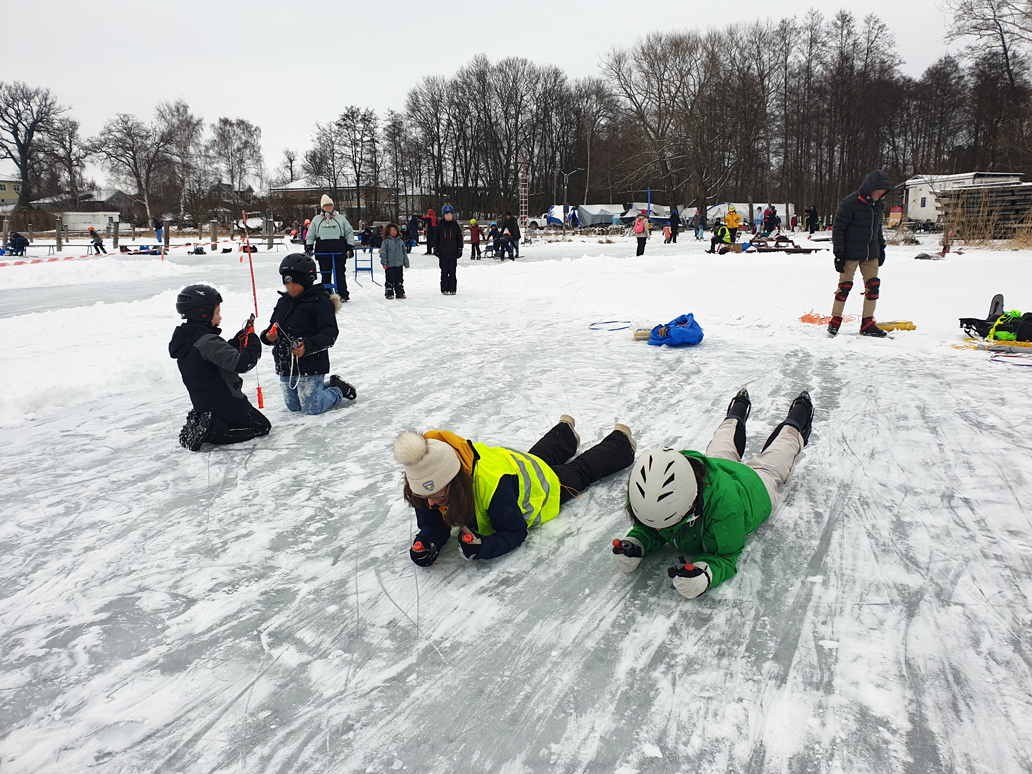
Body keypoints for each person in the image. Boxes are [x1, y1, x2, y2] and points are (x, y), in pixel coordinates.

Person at [611, 388, 813, 599]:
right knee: (722, 440)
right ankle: (738, 408)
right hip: (714, 468)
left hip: (756, 486)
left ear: (689, 505)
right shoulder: (652, 485)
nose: (658, 528)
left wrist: (705, 575)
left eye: (666, 522)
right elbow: (650, 526)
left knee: (778, 455)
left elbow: (727, 555)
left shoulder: (726, 510)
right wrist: (637, 542)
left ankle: (799, 413)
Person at [395, 417, 636, 565]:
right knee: (535, 458)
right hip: (512, 464)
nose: (433, 504)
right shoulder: (425, 477)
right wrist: (428, 541)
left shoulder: (493, 487)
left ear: (456, 482)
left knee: (579, 472)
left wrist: (483, 546)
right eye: (424, 499)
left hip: (539, 485)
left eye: (437, 497)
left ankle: (621, 442)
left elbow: (514, 531)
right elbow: (433, 523)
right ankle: (565, 432)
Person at [169, 284, 270, 452]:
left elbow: (218, 356)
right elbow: (242, 364)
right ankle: (213, 430)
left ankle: (203, 418)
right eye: (217, 313)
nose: (220, 317)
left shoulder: (188, 338)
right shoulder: (208, 341)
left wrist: (239, 340)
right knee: (261, 426)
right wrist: (253, 341)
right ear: (203, 314)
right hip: (227, 402)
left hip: (204, 401)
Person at [260, 253, 356, 414]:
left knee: (311, 408)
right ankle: (324, 388)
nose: (290, 287)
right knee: (294, 406)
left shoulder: (320, 302)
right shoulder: (283, 302)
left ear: (308, 280)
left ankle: (337, 389)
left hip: (311, 363)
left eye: (295, 283)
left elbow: (330, 332)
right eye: (287, 283)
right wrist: (268, 336)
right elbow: (273, 326)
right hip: (286, 363)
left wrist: (308, 346)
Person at [827, 170, 892, 338]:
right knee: (845, 287)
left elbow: (877, 228)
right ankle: (835, 319)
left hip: (871, 252)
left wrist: (882, 247)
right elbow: (839, 229)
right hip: (850, 253)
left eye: (883, 191)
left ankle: (867, 323)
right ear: (870, 187)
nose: (880, 194)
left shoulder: (879, 204)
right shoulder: (849, 203)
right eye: (878, 190)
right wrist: (839, 253)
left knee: (873, 286)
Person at [305, 194, 355, 301]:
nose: (329, 208)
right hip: (323, 250)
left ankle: (342, 293)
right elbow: (310, 234)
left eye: (330, 205)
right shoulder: (317, 220)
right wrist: (309, 246)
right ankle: (326, 293)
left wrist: (350, 246)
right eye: (326, 206)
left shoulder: (340, 219)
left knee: (339, 273)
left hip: (338, 250)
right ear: (322, 207)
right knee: (325, 272)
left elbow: (349, 232)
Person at [432, 204, 463, 294]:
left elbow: (459, 238)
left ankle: (452, 288)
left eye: (450, 214)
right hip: (443, 253)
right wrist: (435, 248)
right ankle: (445, 288)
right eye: (447, 214)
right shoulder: (439, 226)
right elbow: (436, 238)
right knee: (444, 271)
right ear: (443, 215)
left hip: (453, 253)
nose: (449, 216)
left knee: (452, 271)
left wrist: (460, 248)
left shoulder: (455, 225)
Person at [380, 222, 409, 300]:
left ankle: (399, 292)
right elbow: (383, 253)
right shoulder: (386, 241)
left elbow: (404, 253)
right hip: (390, 265)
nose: (393, 232)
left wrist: (406, 263)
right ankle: (389, 293)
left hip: (399, 264)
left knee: (399, 279)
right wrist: (384, 263)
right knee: (390, 279)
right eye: (391, 230)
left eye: (394, 230)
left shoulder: (401, 242)